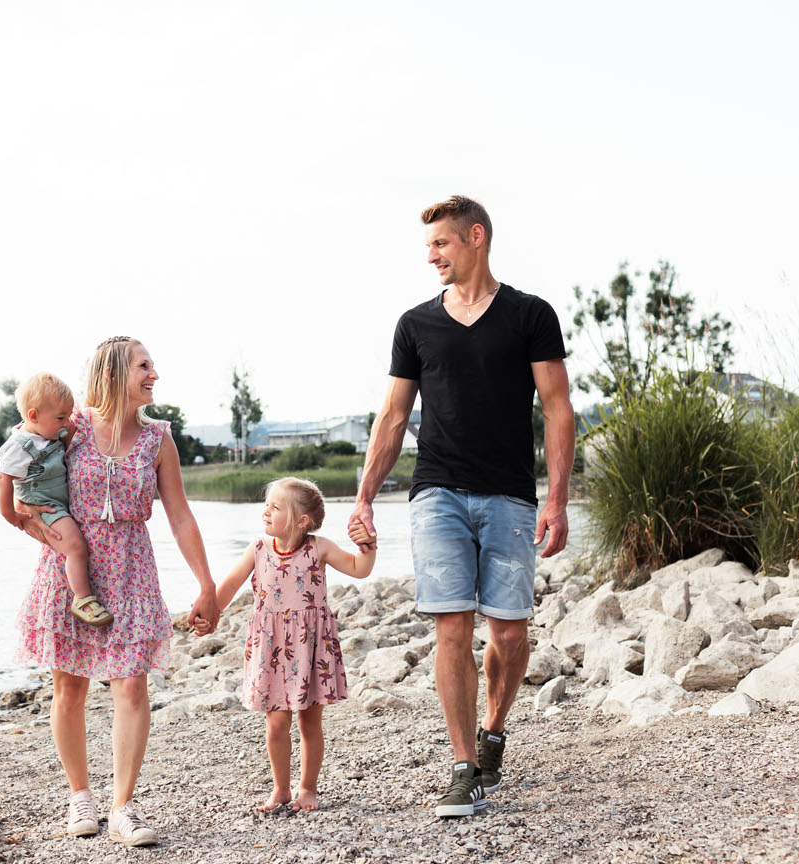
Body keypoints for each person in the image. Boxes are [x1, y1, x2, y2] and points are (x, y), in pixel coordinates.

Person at [347, 195, 575, 818]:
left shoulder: (530, 315)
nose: (432, 257)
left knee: (507, 630)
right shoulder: (415, 325)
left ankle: (493, 733)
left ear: (476, 238)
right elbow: (393, 416)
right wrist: (365, 494)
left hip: (508, 493)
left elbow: (557, 408)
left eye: (441, 244)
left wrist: (555, 498)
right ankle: (463, 767)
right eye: (428, 247)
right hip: (437, 490)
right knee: (451, 625)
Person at [8, 336, 219, 846]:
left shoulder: (158, 439)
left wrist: (207, 584)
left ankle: (123, 805)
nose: (154, 374)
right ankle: (80, 795)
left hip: (130, 569)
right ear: (114, 372)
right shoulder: (69, 428)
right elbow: (18, 473)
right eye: (144, 366)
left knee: (131, 686)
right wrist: (32, 525)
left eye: (153, 366)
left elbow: (180, 515)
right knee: (70, 687)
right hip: (69, 572)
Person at [201, 477, 375, 812]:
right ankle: (280, 788)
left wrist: (369, 546)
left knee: (310, 722)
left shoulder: (318, 548)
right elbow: (230, 585)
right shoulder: (257, 549)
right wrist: (210, 613)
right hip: (271, 649)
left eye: (275, 507)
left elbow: (359, 569)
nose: (266, 511)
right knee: (276, 723)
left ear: (301, 520)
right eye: (266, 505)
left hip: (311, 647)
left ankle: (307, 788)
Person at [0, 373, 111, 627]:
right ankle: (83, 599)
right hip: (44, 504)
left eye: (68, 415)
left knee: (75, 547)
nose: (66, 423)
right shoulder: (20, 446)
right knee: (75, 547)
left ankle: (81, 596)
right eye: (60, 418)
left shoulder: (47, 431)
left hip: (56, 501)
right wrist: (10, 514)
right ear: (34, 416)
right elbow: (4, 479)